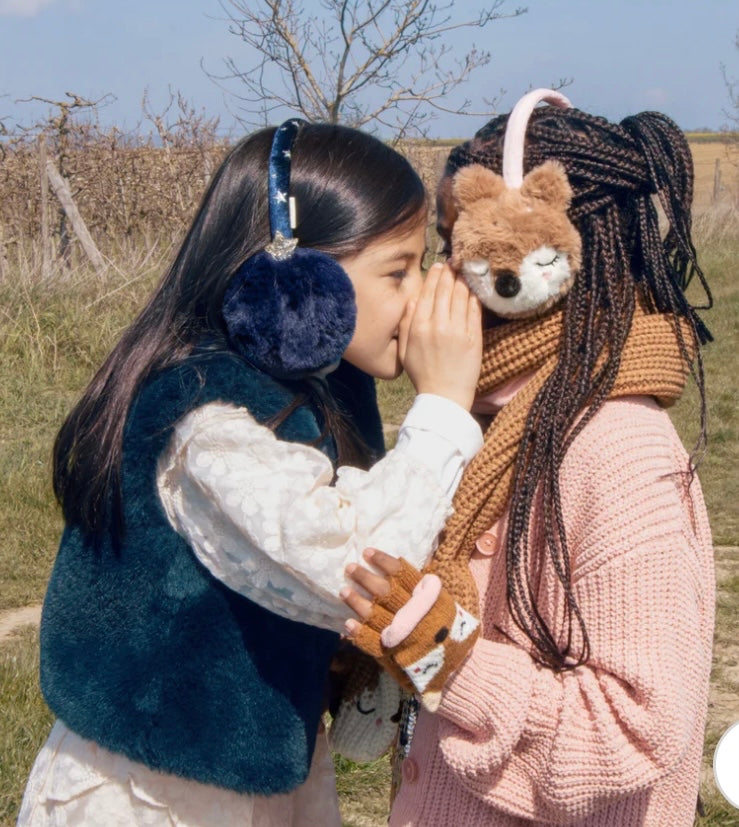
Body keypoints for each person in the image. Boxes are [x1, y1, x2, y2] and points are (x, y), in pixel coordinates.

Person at [18, 121, 483, 826]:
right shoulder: (212, 418)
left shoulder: (314, 383)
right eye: (398, 270)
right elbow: (354, 564)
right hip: (149, 796)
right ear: (300, 275)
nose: (419, 295)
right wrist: (443, 408)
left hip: (252, 779)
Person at [342, 91, 715, 826]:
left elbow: (635, 734)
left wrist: (446, 654)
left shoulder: (615, 449)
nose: (440, 282)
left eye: (459, 252)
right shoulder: (492, 424)